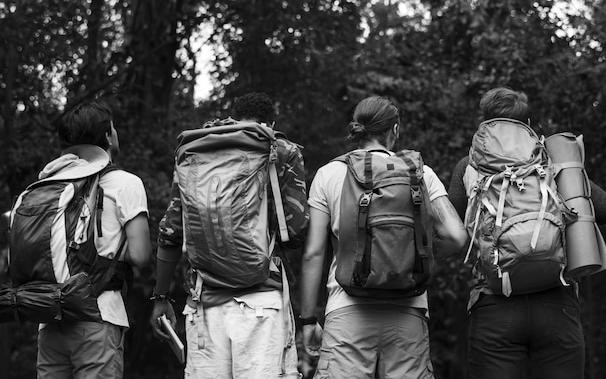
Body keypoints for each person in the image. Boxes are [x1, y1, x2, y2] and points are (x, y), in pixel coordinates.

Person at [447, 87, 606, 379]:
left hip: (495, 306)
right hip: (556, 305)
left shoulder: (468, 168)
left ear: (485, 124)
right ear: (528, 124)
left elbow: (453, 233)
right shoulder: (552, 163)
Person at [300, 96, 468, 379]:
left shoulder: (329, 174)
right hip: (408, 311)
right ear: (395, 130)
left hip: (347, 311)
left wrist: (307, 320)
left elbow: (313, 252)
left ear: (358, 130)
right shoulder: (419, 173)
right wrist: (416, 252)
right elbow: (456, 236)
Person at [150, 92, 309, 378]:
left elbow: (171, 231)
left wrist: (161, 297)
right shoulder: (280, 150)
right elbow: (295, 231)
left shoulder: (196, 151)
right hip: (261, 302)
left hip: (204, 301)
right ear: (270, 122)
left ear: (233, 118)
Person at [37, 100, 152, 378]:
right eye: (113, 129)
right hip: (98, 315)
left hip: (49, 316)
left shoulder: (49, 184)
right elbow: (140, 255)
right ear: (107, 137)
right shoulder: (126, 183)